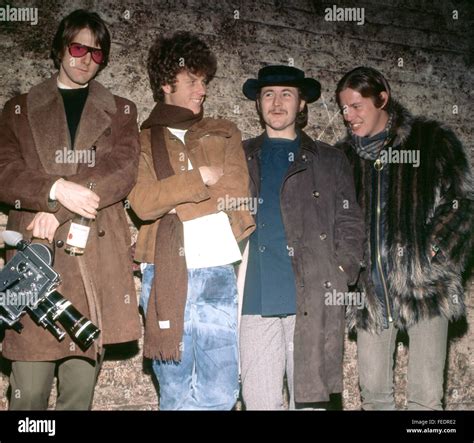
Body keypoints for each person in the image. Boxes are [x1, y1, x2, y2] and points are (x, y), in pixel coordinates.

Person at [0, 9, 141, 410]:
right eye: (79, 47)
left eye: (97, 54)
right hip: (34, 255)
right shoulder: (19, 108)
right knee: (28, 395)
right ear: (61, 47)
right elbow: (4, 170)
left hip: (90, 262)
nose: (86, 59)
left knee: (78, 398)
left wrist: (58, 207)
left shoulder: (122, 109)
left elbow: (122, 171)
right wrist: (53, 188)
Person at [128, 31, 254, 410]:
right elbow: (144, 204)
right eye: (193, 81)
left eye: (205, 82)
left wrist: (173, 199)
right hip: (163, 271)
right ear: (167, 83)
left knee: (221, 392)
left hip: (216, 270)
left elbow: (234, 194)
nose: (202, 90)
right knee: (175, 391)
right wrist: (200, 178)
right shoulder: (141, 140)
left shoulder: (224, 130)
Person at [336, 66, 474, 410]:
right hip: (371, 295)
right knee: (373, 397)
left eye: (357, 106)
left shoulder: (431, 141)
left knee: (426, 401)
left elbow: (463, 204)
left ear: (382, 98)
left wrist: (432, 253)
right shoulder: (343, 159)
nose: (348, 116)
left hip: (425, 289)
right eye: (343, 109)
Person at [240, 65, 365, 410]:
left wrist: (343, 270)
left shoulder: (330, 159)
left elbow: (350, 220)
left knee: (310, 404)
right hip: (254, 300)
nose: (276, 102)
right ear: (258, 103)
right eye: (268, 94)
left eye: (286, 94)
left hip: (311, 301)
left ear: (301, 104)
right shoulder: (240, 154)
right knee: (259, 403)